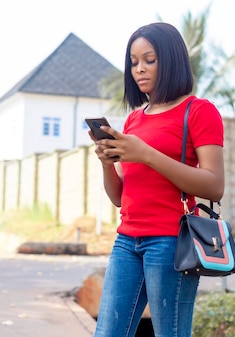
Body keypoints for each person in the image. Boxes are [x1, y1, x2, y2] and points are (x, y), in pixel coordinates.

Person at [88, 22, 225, 337]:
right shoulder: (135, 117)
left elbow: (214, 185)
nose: (139, 69)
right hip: (126, 241)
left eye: (149, 60)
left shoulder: (199, 112)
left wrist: (146, 154)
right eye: (134, 62)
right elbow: (120, 197)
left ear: (171, 59)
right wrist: (107, 164)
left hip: (170, 243)